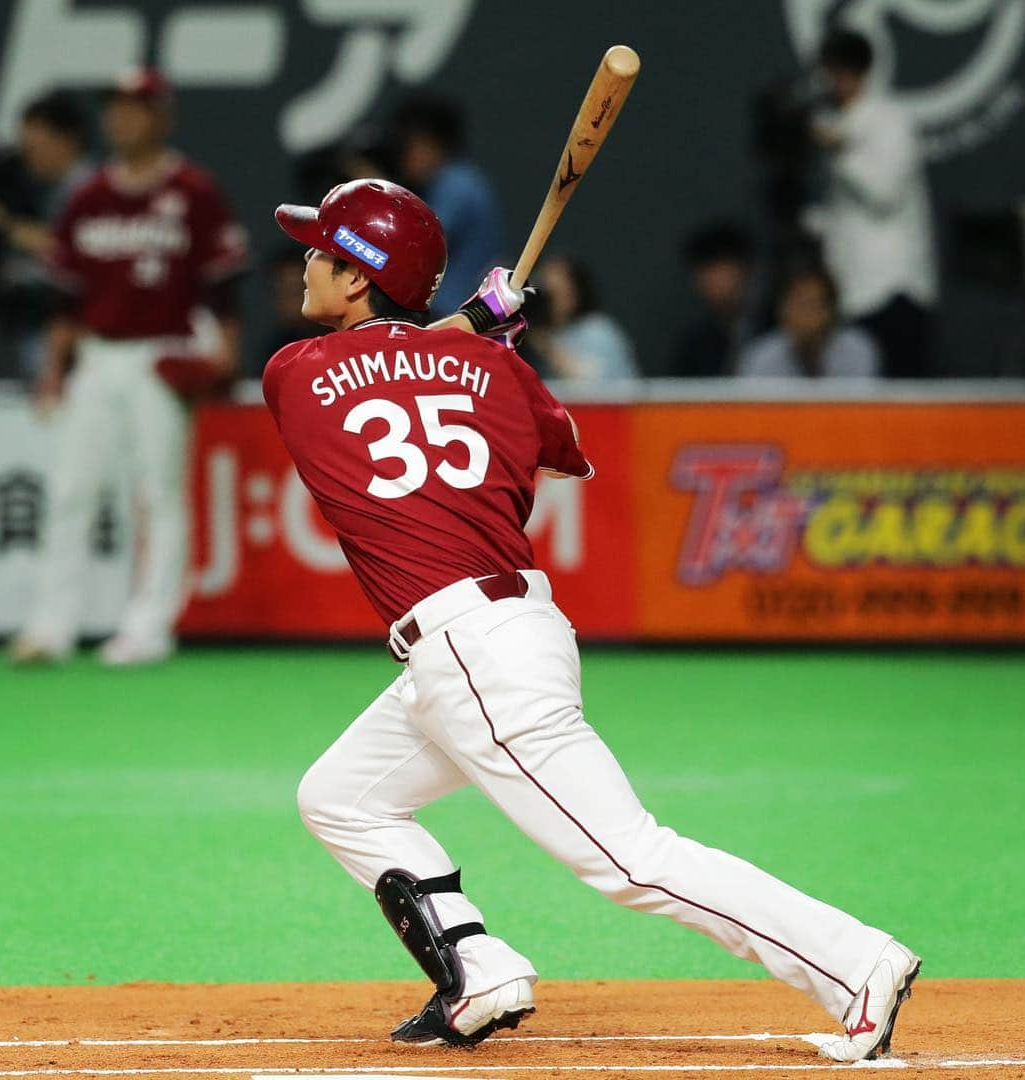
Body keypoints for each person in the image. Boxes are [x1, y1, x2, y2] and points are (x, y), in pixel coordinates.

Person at [263, 178, 921, 1063]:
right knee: (342, 797)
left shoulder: (293, 373)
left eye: (319, 253)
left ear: (357, 279)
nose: (303, 263)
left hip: (472, 657)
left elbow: (381, 369)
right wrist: (484, 347)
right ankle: (476, 968)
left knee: (633, 860)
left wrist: (467, 328)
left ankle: (855, 965)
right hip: (509, 636)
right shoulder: (497, 368)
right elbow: (565, 458)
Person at [7, 68, 248, 666]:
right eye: (114, 108)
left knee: (157, 495)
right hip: (98, 355)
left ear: (161, 117)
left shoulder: (193, 191)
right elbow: (67, 298)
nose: (121, 118)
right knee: (70, 491)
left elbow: (223, 287)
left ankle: (148, 627)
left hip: (161, 356)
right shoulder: (88, 198)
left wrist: (224, 352)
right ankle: (50, 627)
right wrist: (54, 370)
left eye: (134, 107)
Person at [812, 29, 937, 378]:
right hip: (850, 292)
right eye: (831, 72)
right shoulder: (834, 123)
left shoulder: (891, 120)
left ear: (860, 71)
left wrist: (839, 149)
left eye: (842, 71)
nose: (836, 81)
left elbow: (885, 193)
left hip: (893, 290)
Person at [0, 91, 94, 378]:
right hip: (37, 322)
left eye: (33, 146)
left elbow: (66, 248)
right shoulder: (44, 190)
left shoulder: (89, 188)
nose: (25, 154)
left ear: (66, 139)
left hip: (73, 326)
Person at [391, 96, 502, 315]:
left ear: (431, 144)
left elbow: (419, 245)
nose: (402, 156)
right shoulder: (452, 182)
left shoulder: (458, 184)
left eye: (408, 145)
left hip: (453, 314)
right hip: (455, 313)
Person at [739, 264, 878, 377]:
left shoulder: (857, 351)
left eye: (813, 304)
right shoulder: (761, 357)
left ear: (831, 311)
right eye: (799, 304)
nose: (805, 315)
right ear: (782, 309)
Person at [528, 254, 639, 381]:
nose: (551, 302)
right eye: (547, 294)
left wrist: (547, 347)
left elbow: (596, 384)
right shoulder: (529, 334)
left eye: (559, 293)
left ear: (577, 292)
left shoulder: (598, 330)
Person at [671, 222, 758, 376]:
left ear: (746, 270)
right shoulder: (693, 345)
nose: (714, 281)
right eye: (705, 272)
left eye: (721, 269)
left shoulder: (769, 329)